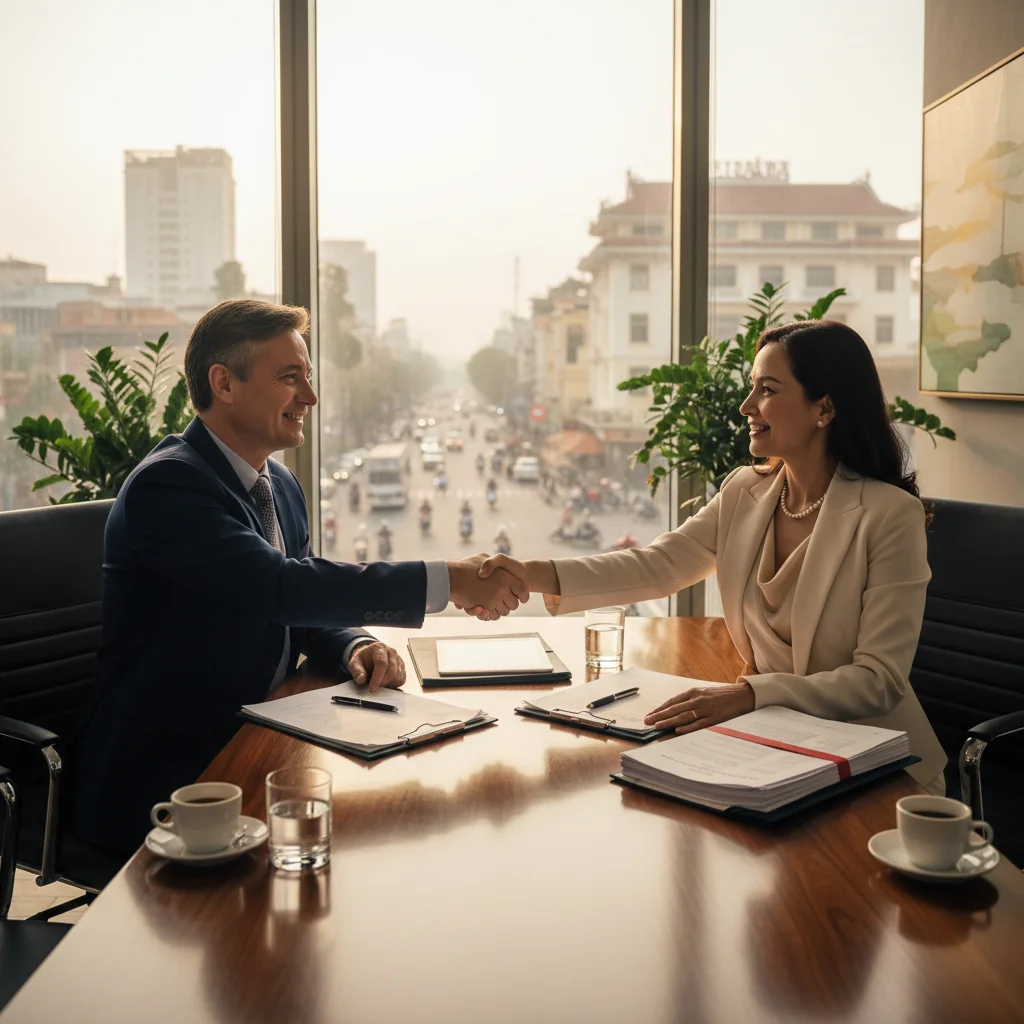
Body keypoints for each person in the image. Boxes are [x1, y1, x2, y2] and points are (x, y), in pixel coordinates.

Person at [71, 298, 527, 858]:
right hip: (177, 779)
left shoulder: (279, 486)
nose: (309, 397)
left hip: (264, 744)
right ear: (224, 383)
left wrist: (353, 640)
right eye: (290, 379)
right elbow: (280, 587)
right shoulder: (167, 488)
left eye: (308, 378)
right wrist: (449, 580)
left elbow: (298, 607)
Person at [472, 320, 947, 794]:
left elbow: (877, 681)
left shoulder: (889, 517)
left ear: (823, 408)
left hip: (876, 767)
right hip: (777, 747)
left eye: (767, 390)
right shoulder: (745, 491)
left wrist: (750, 694)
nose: (746, 407)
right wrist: (529, 573)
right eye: (751, 388)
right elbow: (657, 566)